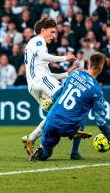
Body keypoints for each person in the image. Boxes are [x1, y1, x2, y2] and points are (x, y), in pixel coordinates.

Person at [29, 52, 110, 161]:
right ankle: (74, 142)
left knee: (47, 153)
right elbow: (100, 121)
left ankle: (41, 151)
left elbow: (60, 91)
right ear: (101, 66)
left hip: (51, 119)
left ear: (88, 63)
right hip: (67, 126)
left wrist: (50, 100)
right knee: (83, 114)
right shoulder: (96, 90)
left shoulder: (74, 74)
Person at [21, 17, 77, 157]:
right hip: (40, 80)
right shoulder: (38, 40)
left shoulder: (35, 45)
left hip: (35, 84)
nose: (54, 36)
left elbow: (46, 73)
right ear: (43, 30)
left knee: (54, 114)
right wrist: (64, 58)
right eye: (52, 32)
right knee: (64, 95)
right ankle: (68, 124)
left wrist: (65, 74)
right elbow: (44, 57)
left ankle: (31, 138)